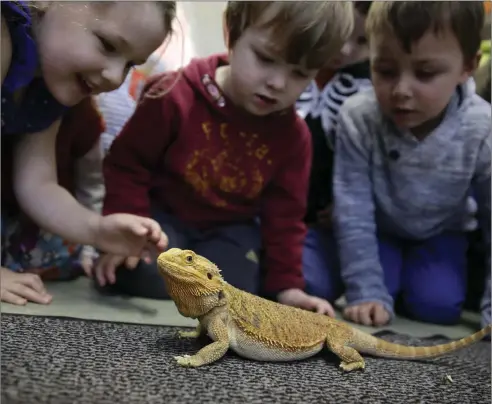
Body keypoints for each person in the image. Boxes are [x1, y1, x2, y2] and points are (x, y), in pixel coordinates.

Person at [95, 1, 354, 315]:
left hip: (228, 231)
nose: (277, 83)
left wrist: (289, 288)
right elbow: (127, 166)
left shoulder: (294, 137)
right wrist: (124, 232)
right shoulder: (173, 95)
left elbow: (284, 217)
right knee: (141, 269)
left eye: (299, 74)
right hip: (162, 219)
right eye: (265, 59)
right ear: (231, 33)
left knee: (238, 286)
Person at [0, 1, 175, 303]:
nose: (115, 77)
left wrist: (96, 229)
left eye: (130, 64)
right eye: (107, 45)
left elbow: (37, 183)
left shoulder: (46, 87)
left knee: (53, 253)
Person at [331, 1, 491, 328]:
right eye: (385, 71)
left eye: (425, 73)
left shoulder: (482, 127)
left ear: (468, 66)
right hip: (377, 231)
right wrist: (366, 289)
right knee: (349, 291)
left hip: (441, 231)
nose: (401, 91)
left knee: (438, 306)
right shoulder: (357, 116)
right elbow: (353, 209)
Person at [295, 1, 373, 302]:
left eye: (363, 41)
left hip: (327, 217)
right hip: (274, 203)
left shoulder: (371, 89)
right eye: (342, 34)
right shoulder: (290, 67)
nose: (346, 50)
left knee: (316, 286)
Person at [1, 98, 104, 305]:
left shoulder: (84, 118)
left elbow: (91, 186)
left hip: (37, 217)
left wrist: (91, 245)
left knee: (62, 250)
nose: (113, 78)